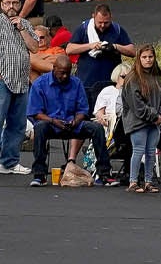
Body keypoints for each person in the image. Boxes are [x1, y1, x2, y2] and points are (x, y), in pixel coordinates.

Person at [0, 0, 44, 177]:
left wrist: (22, 29)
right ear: (1, 5)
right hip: (0, 81)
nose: (11, 6)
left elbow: (35, 48)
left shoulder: (26, 24)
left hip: (21, 81)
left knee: (17, 125)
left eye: (15, 3)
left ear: (20, 4)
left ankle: (9, 162)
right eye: (7, 3)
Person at [27, 54, 114, 186]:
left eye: (68, 73)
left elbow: (83, 110)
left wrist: (76, 121)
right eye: (62, 73)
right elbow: (35, 112)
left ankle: (104, 174)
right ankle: (40, 174)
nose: (65, 77)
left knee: (96, 128)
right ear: (54, 68)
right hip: (51, 124)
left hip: (72, 124)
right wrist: (53, 121)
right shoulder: (40, 84)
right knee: (39, 127)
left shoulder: (76, 83)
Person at [121, 45, 161, 192]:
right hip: (138, 121)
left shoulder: (156, 76)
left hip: (155, 121)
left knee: (151, 152)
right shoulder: (132, 78)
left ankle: (148, 181)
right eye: (144, 57)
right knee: (138, 150)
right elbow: (137, 105)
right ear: (139, 58)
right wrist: (154, 116)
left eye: (150, 57)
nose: (148, 60)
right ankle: (133, 181)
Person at [66, 1, 130, 107]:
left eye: (106, 22)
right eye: (99, 22)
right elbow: (69, 49)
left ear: (111, 18)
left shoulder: (117, 29)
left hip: (111, 83)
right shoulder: (84, 29)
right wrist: (90, 46)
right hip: (87, 83)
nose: (103, 25)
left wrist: (115, 46)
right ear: (93, 17)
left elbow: (132, 51)